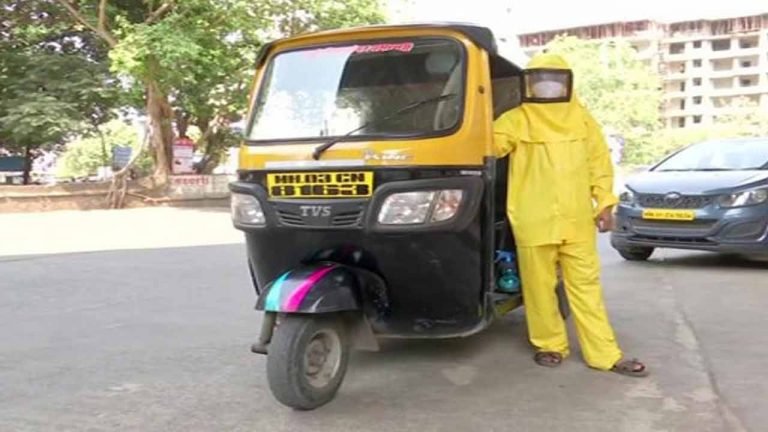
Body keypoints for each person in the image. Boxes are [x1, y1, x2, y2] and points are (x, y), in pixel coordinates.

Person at [493, 53, 648, 377]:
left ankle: (605, 354)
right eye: (539, 79)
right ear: (528, 83)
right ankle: (550, 345)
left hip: (577, 220)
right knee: (538, 287)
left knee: (586, 287)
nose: (546, 86)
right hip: (532, 218)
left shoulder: (583, 120)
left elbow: (599, 165)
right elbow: (489, 146)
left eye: (554, 79)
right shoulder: (515, 120)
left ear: (568, 83)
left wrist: (605, 203)